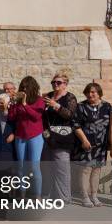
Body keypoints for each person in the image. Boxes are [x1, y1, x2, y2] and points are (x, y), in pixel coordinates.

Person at [71, 83, 111, 208]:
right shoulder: (81, 106)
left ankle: (94, 195)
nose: (90, 94)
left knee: (97, 169)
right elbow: (75, 125)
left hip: (101, 144)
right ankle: (85, 196)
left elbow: (111, 125)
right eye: (88, 92)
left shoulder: (107, 106)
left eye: (93, 92)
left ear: (99, 93)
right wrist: (84, 140)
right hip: (85, 143)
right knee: (86, 169)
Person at [42, 72, 78, 204]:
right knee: (49, 168)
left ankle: (64, 198)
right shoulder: (48, 96)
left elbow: (70, 115)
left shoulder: (70, 97)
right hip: (48, 137)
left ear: (65, 84)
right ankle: (52, 196)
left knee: (62, 169)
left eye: (59, 82)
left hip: (63, 137)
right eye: (53, 82)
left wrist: (56, 105)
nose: (55, 84)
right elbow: (43, 118)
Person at [8, 76, 45, 198]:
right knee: (21, 166)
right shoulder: (17, 102)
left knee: (34, 166)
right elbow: (12, 117)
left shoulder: (39, 100)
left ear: (32, 88)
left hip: (35, 136)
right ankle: (22, 195)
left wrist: (25, 104)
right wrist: (12, 104)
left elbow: (36, 117)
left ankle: (37, 195)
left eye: (26, 87)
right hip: (20, 136)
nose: (24, 90)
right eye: (22, 87)